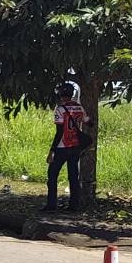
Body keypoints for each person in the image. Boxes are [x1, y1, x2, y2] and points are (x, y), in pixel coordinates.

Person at [44, 80, 89, 212]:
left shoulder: (60, 109)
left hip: (62, 147)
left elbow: (59, 132)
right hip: (75, 147)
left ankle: (51, 205)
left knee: (52, 175)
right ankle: (74, 205)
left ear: (61, 95)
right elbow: (88, 121)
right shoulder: (80, 108)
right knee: (73, 176)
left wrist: (52, 150)